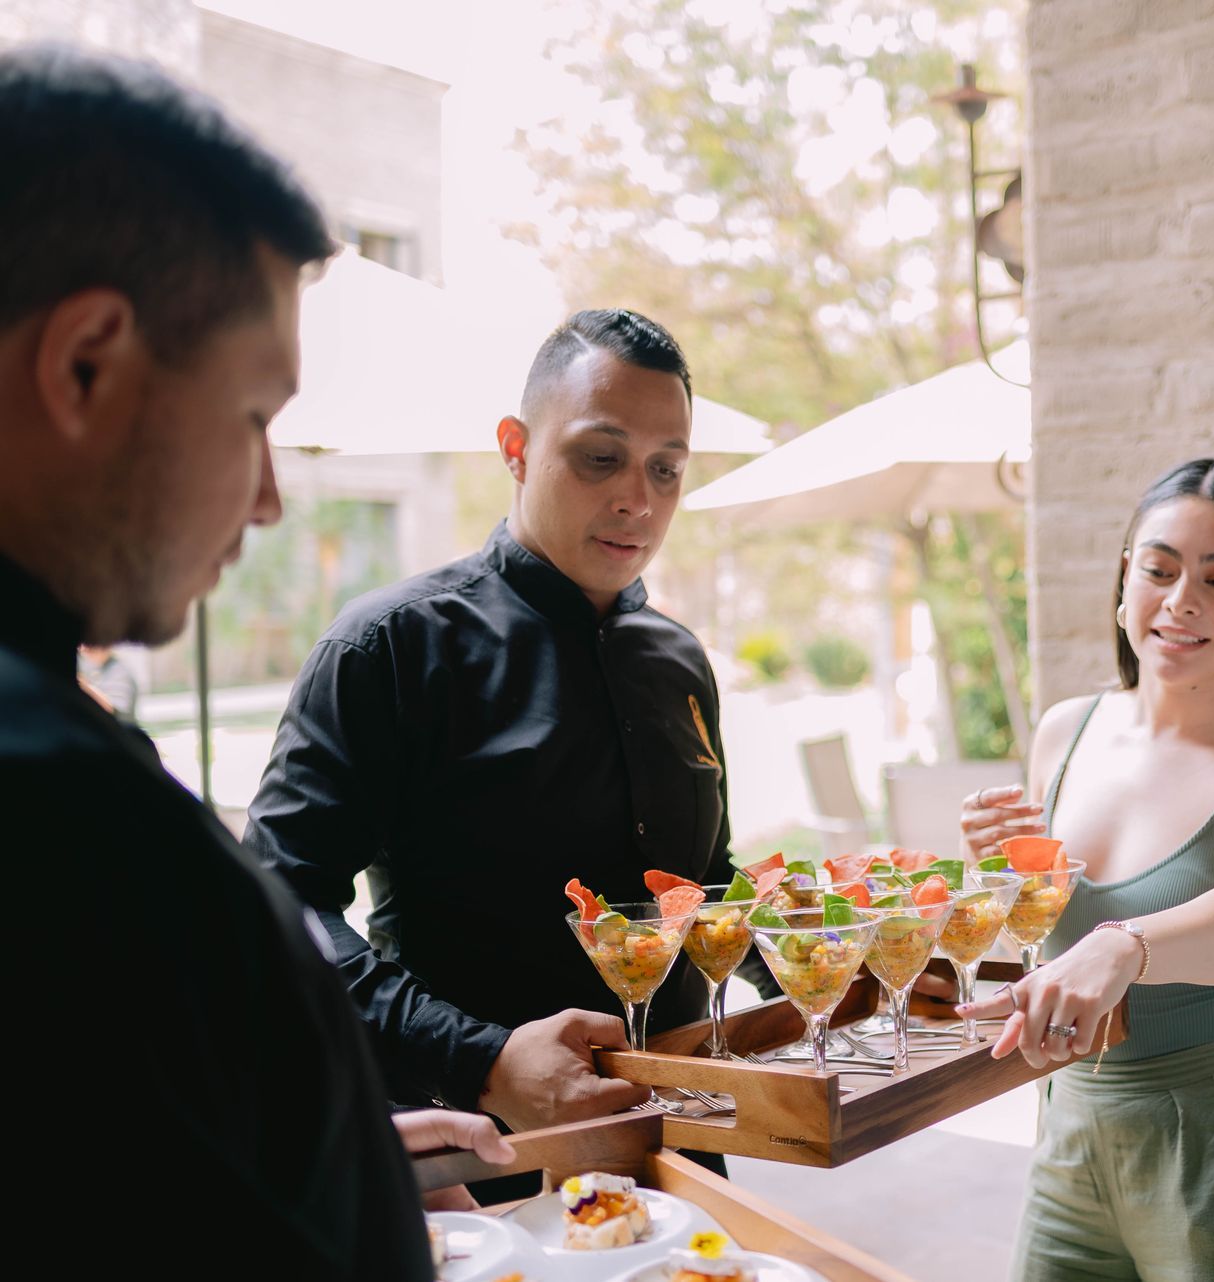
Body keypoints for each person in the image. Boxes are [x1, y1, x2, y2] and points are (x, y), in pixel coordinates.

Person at [0, 43, 505, 1276]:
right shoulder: (54, 812)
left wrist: (331, 1159)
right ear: (84, 366)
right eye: (253, 416)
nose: (271, 498)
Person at [244, 309, 768, 1153]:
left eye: (666, 469)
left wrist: (860, 961)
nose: (638, 499)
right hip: (475, 1157)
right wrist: (480, 1060)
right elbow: (275, 907)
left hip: (680, 1145)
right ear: (516, 447)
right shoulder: (389, 647)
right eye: (601, 458)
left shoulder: (680, 658)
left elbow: (703, 885)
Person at [959, 458, 1214, 1281]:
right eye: (1160, 568)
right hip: (1070, 1131)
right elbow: (1041, 937)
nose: (1181, 601)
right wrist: (1001, 874)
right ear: (1125, 579)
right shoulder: (1063, 733)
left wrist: (1125, 945)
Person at [77, 642, 138, 722]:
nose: (83, 648)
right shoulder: (88, 666)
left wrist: (84, 686)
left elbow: (113, 710)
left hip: (118, 731)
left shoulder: (119, 671)